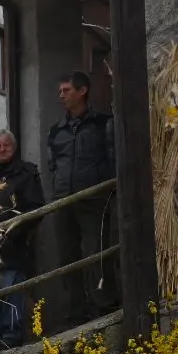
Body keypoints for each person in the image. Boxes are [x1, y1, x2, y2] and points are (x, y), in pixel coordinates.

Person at [46, 70, 116, 322]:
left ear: (82, 90)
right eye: (60, 91)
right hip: (63, 200)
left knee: (97, 253)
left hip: (93, 198)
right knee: (67, 257)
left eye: (66, 90)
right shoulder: (56, 130)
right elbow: (53, 165)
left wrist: (105, 189)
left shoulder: (102, 124)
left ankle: (104, 306)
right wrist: (58, 189)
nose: (61, 95)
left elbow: (112, 159)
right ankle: (76, 312)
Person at [0, 129, 46, 349]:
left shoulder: (26, 173)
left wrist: (13, 230)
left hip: (14, 242)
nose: (2, 149)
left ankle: (11, 333)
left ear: (14, 147)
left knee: (11, 285)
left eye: (6, 145)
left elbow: (36, 208)